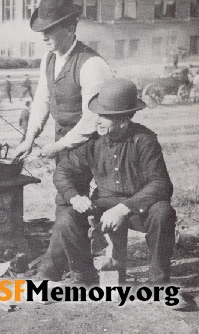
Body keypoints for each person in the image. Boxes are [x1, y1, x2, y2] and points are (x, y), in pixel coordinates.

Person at [13, 0, 113, 282]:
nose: (43, 36)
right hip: (67, 140)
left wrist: (58, 144)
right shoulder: (50, 58)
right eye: (41, 30)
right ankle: (69, 267)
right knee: (68, 200)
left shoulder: (91, 64)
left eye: (50, 29)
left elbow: (93, 118)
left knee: (72, 202)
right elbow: (42, 100)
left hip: (95, 142)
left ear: (70, 28)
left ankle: (63, 268)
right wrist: (29, 138)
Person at [52, 79, 176, 285]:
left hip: (139, 210)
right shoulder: (92, 141)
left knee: (163, 212)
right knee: (66, 219)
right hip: (101, 207)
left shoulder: (144, 140)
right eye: (98, 115)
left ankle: (159, 283)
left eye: (105, 116)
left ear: (123, 120)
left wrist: (124, 208)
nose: (98, 121)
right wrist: (74, 197)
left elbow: (161, 184)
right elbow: (62, 172)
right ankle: (83, 277)